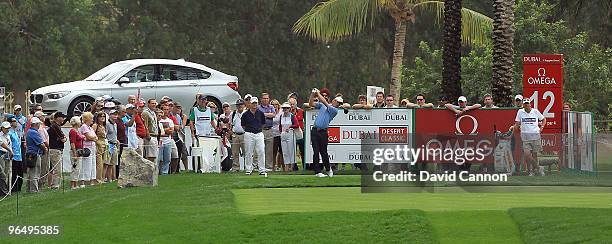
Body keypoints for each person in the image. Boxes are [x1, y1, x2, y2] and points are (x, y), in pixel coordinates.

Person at [309, 88, 341, 178]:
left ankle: (328, 169)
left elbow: (325, 102)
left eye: (339, 103)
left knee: (324, 152)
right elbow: (310, 103)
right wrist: (312, 94)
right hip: (315, 130)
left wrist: (318, 93)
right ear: (333, 100)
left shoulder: (334, 110)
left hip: (323, 133)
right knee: (316, 151)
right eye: (336, 101)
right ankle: (317, 172)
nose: (337, 103)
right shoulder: (322, 106)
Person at [514, 98, 546, 176]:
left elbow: (544, 119)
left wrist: (541, 127)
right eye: (525, 104)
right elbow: (517, 123)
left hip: (535, 135)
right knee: (527, 154)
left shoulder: (535, 111)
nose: (526, 105)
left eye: (527, 103)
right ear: (523, 105)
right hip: (525, 136)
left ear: (530, 104)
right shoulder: (520, 112)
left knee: (534, 154)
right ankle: (537, 168)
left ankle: (533, 171)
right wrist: (514, 127)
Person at [241, 97, 267, 177]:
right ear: (250, 104)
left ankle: (262, 170)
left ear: (257, 104)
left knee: (261, 151)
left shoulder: (261, 113)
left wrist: (257, 129)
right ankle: (248, 169)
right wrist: (250, 130)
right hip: (249, 134)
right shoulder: (245, 114)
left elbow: (263, 124)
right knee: (249, 152)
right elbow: (243, 125)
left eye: (256, 103)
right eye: (253, 103)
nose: (254, 105)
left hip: (259, 133)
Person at [189, 95, 217, 172]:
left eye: (204, 99)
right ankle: (198, 167)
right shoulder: (194, 110)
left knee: (207, 151)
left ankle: (207, 167)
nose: (203, 101)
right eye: (201, 99)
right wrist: (192, 132)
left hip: (208, 135)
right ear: (199, 100)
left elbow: (212, 121)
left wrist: (216, 129)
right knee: (199, 152)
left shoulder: (209, 110)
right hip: (199, 134)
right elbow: (191, 121)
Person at [25, 117, 47, 193]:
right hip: (35, 154)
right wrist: (45, 150)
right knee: (35, 172)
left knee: (31, 172)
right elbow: (41, 144)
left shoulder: (29, 131)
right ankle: (34, 190)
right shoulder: (34, 132)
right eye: (38, 124)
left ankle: (29, 189)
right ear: (36, 124)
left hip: (30, 154)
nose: (39, 126)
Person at [47, 112, 67, 189]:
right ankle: (55, 185)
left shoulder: (57, 126)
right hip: (55, 149)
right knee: (57, 169)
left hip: (57, 149)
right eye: (62, 117)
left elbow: (63, 137)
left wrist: (64, 138)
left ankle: (54, 185)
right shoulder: (54, 126)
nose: (63, 119)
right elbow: (63, 139)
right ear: (58, 118)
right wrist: (64, 138)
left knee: (55, 168)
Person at [278, 102, 299, 172]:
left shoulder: (292, 116)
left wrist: (290, 127)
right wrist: (281, 132)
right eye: (284, 108)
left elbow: (296, 125)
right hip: (283, 134)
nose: (285, 109)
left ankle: (292, 166)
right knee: (285, 151)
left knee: (291, 150)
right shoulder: (281, 116)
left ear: (289, 109)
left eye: (287, 108)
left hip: (290, 133)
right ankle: (286, 166)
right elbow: (280, 126)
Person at [258, 93, 276, 170]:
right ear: (261, 99)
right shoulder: (258, 107)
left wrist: (264, 114)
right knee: (261, 149)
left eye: (267, 98)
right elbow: (258, 115)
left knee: (269, 149)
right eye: (264, 98)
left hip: (269, 130)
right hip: (261, 130)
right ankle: (261, 166)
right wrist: (268, 114)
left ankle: (269, 167)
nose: (265, 100)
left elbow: (274, 115)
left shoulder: (271, 107)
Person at [79, 112, 98, 186]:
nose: (92, 120)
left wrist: (93, 138)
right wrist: (92, 138)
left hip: (92, 147)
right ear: (87, 119)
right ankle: (84, 180)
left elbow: (95, 137)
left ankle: (92, 179)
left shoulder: (90, 128)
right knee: (86, 164)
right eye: (91, 118)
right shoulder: (84, 126)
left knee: (93, 163)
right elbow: (89, 137)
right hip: (86, 147)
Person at [158, 107, 178, 175]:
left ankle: (165, 172)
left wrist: (163, 130)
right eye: (164, 109)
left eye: (167, 109)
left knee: (167, 158)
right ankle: (158, 172)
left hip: (168, 141)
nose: (166, 111)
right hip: (160, 141)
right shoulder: (158, 120)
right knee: (159, 158)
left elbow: (171, 131)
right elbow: (159, 131)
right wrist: (166, 129)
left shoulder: (170, 120)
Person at [171, 102, 189, 172]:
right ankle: (175, 170)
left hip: (180, 137)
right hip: (174, 136)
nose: (178, 109)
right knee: (175, 154)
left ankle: (185, 169)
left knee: (183, 153)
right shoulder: (172, 116)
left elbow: (181, 126)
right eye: (177, 107)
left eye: (179, 107)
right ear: (173, 107)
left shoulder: (179, 116)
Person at [34, 111, 50, 189]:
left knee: (45, 168)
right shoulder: (40, 128)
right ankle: (40, 185)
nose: (44, 117)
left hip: (44, 149)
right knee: (43, 168)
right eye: (43, 116)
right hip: (43, 150)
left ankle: (42, 184)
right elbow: (43, 140)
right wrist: (48, 147)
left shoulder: (42, 127)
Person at [230, 99, 246, 172]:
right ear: (236, 106)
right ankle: (235, 168)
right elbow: (230, 124)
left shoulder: (247, 113)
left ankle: (247, 167)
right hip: (235, 135)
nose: (240, 106)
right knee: (235, 153)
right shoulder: (233, 114)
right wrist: (231, 133)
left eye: (241, 104)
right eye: (238, 105)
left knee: (246, 152)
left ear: (244, 105)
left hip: (244, 134)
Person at [92, 111, 109, 183]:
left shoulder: (103, 126)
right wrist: (98, 142)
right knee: (99, 163)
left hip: (104, 143)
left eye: (104, 116)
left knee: (104, 162)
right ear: (97, 118)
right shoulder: (95, 125)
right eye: (101, 116)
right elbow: (92, 135)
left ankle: (102, 178)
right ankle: (98, 179)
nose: (102, 118)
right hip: (98, 144)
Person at [7, 117, 23, 193]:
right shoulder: (9, 133)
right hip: (13, 157)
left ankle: (18, 189)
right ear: (10, 123)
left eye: (16, 121)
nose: (16, 122)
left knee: (20, 174)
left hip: (19, 156)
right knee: (13, 174)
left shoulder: (15, 132)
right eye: (14, 121)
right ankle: (13, 189)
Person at [69, 116, 85, 190]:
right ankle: (72, 184)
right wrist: (74, 153)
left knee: (78, 168)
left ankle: (75, 183)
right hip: (75, 151)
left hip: (80, 151)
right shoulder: (73, 131)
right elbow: (72, 143)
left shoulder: (77, 131)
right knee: (75, 167)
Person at [141, 98, 159, 164]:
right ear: (148, 104)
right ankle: (149, 170)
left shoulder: (153, 112)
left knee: (154, 155)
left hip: (155, 136)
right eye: (152, 103)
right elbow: (145, 125)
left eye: (155, 103)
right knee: (151, 155)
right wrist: (148, 135)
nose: (154, 105)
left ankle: (153, 171)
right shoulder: (145, 113)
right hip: (150, 136)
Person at [288, 98, 304, 170]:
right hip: (291, 134)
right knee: (292, 151)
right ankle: (294, 167)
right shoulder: (287, 113)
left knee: (302, 150)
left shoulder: (301, 111)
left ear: (296, 104)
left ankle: (305, 166)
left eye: (293, 104)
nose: (291, 106)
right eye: (290, 104)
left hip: (300, 134)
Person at [106, 110, 119, 181]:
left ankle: (110, 178)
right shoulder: (107, 124)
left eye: (116, 114)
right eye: (113, 114)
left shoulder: (115, 124)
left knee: (113, 163)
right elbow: (106, 134)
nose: (115, 116)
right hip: (109, 144)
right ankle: (108, 178)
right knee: (108, 162)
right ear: (110, 115)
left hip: (114, 144)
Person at [0, 122, 13, 191]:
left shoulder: (8, 135)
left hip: (8, 155)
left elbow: (9, 145)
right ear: (2, 128)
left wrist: (10, 152)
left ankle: (5, 189)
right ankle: (3, 190)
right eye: (6, 128)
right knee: (3, 174)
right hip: (2, 155)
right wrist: (10, 150)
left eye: (8, 128)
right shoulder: (0, 135)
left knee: (7, 172)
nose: (7, 129)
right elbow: (2, 144)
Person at [270, 99, 283, 171]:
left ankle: (282, 167)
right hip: (273, 134)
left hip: (280, 134)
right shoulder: (269, 111)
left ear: (278, 105)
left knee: (281, 151)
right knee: (273, 151)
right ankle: (272, 167)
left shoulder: (281, 112)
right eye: (273, 104)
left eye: (276, 104)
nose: (275, 106)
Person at [115, 105, 128, 179]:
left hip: (123, 141)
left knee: (121, 159)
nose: (125, 113)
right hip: (119, 141)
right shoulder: (116, 121)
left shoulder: (122, 120)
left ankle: (119, 174)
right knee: (118, 158)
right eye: (124, 112)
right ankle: (116, 175)